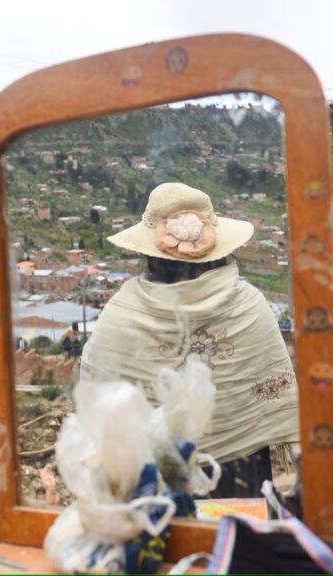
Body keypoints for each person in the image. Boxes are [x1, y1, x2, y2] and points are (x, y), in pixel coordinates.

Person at [79, 182, 298, 498]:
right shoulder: (250, 304)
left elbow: (94, 398)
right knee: (232, 545)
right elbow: (273, 398)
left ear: (150, 253)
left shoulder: (122, 312)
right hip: (239, 478)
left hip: (148, 483)